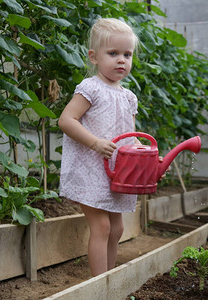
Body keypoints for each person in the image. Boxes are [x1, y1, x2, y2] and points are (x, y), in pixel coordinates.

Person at [58, 17, 140, 277]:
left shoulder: (128, 97)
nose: (121, 60)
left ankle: (108, 279)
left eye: (127, 54)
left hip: (118, 173)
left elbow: (130, 136)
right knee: (102, 227)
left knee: (117, 229)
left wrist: (141, 150)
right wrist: (94, 142)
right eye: (113, 53)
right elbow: (66, 120)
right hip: (91, 170)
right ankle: (98, 285)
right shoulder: (90, 89)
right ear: (94, 57)